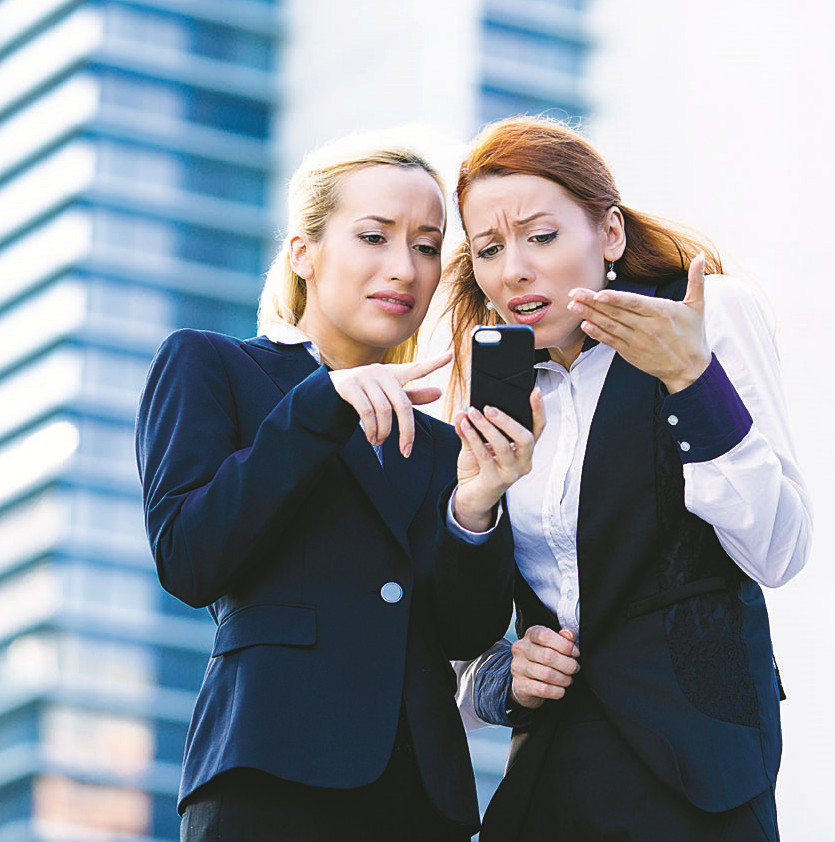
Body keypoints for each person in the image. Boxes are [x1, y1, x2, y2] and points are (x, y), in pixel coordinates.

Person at [135, 133, 543, 842]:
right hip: (270, 779)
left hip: (420, 800)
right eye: (373, 237)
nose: (404, 268)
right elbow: (189, 557)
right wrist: (322, 404)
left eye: (426, 246)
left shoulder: (446, 443)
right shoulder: (212, 366)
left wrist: (475, 508)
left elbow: (466, 631)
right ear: (304, 252)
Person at [448, 116, 811, 842]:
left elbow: (777, 549)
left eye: (540, 236)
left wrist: (691, 380)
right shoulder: (496, 384)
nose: (512, 270)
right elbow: (459, 639)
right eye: (488, 249)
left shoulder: (702, 315)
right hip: (549, 778)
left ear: (608, 233)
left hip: (697, 772)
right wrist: (500, 678)